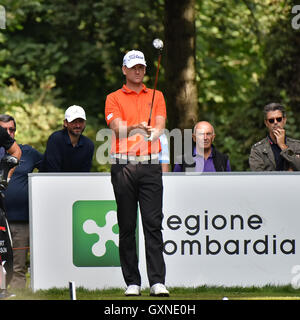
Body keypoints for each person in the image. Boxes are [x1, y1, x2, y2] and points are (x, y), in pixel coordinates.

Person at [105, 50, 169, 297]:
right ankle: (132, 281)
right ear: (124, 70)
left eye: (141, 67)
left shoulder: (157, 95)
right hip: (124, 166)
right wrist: (135, 128)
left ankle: (157, 282)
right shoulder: (113, 98)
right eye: (133, 67)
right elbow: (117, 128)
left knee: (153, 225)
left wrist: (155, 132)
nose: (138, 71)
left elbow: (161, 121)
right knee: (127, 226)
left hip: (151, 166)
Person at [0, 114, 43, 288]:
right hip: (0, 217)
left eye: (11, 129)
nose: (8, 132)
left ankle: (20, 296)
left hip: (20, 219)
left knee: (18, 268)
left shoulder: (28, 152)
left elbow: (51, 170)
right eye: (4, 129)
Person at [40, 105, 94, 172]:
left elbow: (85, 174)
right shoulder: (55, 139)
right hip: (49, 181)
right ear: (65, 123)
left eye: (81, 121)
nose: (78, 125)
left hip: (76, 182)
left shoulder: (88, 145)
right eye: (74, 121)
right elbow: (53, 171)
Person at [249, 102, 300, 171]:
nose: (275, 122)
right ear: (266, 123)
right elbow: (258, 177)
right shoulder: (258, 150)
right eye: (271, 120)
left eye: (279, 119)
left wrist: (283, 146)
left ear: (284, 120)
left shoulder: (297, 146)